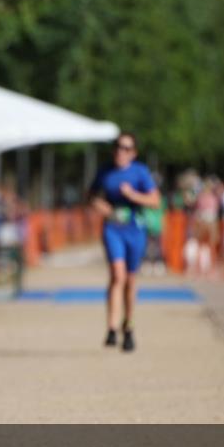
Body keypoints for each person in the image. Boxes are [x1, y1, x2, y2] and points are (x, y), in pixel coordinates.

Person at [88, 132, 161, 352]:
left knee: (130, 279)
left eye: (127, 148)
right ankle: (111, 328)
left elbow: (155, 201)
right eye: (118, 147)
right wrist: (104, 209)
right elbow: (91, 196)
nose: (121, 151)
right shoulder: (105, 171)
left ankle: (128, 326)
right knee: (116, 275)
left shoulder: (140, 172)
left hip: (135, 229)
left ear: (134, 153)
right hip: (112, 228)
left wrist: (133, 195)